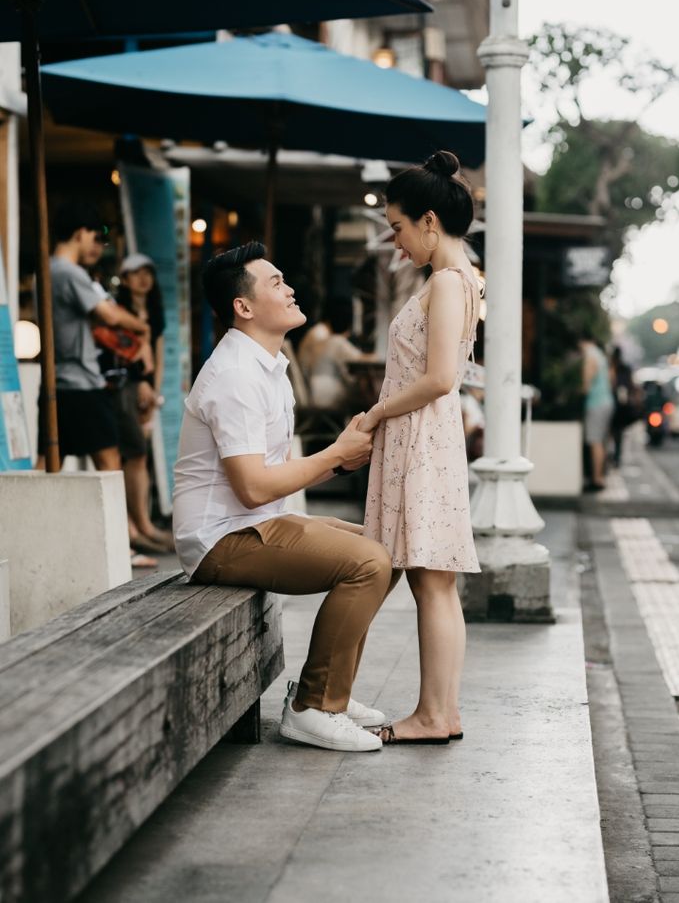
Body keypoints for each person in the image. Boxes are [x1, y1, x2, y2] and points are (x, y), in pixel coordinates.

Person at [172, 242, 392, 752]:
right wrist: (335, 455)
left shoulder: (267, 365)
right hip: (220, 539)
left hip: (256, 523)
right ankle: (314, 707)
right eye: (274, 282)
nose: (290, 288)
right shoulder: (233, 375)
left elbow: (266, 481)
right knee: (369, 562)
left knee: (388, 546)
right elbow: (251, 488)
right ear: (243, 307)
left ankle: (333, 689)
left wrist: (342, 451)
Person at [359, 150, 481, 746]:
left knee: (431, 582)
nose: (396, 242)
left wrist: (377, 412)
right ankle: (441, 712)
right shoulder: (458, 279)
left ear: (429, 221)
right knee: (434, 582)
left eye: (399, 228)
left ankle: (435, 715)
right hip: (428, 438)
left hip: (422, 440)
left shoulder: (448, 282)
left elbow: (438, 379)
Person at [37, 201, 150, 472]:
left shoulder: (46, 270)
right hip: (80, 382)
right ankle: (112, 517)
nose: (95, 245)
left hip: (55, 381)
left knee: (48, 463)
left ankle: (25, 515)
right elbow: (109, 315)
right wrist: (141, 327)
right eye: (94, 236)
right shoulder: (69, 272)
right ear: (81, 233)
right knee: (109, 461)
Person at [111, 253, 172, 552]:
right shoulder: (115, 311)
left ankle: (141, 523)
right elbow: (123, 354)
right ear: (124, 278)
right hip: (124, 389)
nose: (143, 278)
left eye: (147, 272)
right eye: (135, 273)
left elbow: (158, 358)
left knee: (139, 455)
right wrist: (141, 385)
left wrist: (154, 393)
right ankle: (136, 526)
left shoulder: (154, 312)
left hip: (147, 394)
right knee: (131, 453)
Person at [308, 296, 372, 411]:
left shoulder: (319, 334)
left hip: (311, 389)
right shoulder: (334, 340)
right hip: (326, 391)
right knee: (363, 390)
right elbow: (360, 359)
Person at [580, 333, 614, 492]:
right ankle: (600, 476)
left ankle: (597, 479)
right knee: (600, 440)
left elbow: (586, 384)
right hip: (606, 400)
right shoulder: (600, 355)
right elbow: (611, 378)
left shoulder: (590, 356)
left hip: (596, 402)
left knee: (594, 441)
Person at [609, 345, 638, 467]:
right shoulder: (623, 369)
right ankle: (616, 456)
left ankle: (615, 456)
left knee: (615, 431)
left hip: (615, 403)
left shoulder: (613, 368)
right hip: (620, 404)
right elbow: (631, 385)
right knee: (618, 433)